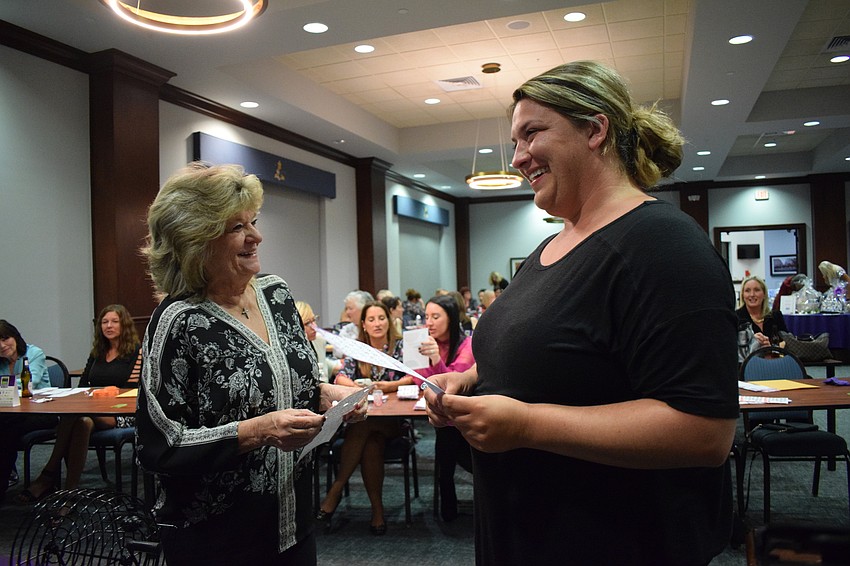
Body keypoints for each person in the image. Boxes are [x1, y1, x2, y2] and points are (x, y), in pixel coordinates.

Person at [424, 61, 738, 565]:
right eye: (515, 142)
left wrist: (526, 425)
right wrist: (471, 381)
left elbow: (704, 431)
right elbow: (559, 354)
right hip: (525, 534)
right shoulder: (550, 247)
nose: (519, 158)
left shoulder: (663, 245)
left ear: (595, 130)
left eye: (532, 134)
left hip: (614, 540)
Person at [136, 163, 365, 565]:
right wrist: (257, 432)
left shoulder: (276, 295)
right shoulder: (178, 322)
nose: (256, 236)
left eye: (253, 222)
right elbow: (161, 445)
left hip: (293, 522)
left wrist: (329, 394)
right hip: (217, 539)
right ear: (195, 241)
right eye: (237, 228)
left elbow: (299, 379)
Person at [19, 304, 142, 502]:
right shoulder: (97, 352)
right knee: (82, 421)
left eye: (114, 321)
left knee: (73, 415)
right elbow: (84, 383)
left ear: (124, 325)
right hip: (91, 411)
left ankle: (48, 474)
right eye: (104, 322)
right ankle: (70, 493)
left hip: (121, 413)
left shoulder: (137, 352)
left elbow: (132, 388)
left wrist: (102, 397)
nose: (108, 326)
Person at [317, 300, 414, 535]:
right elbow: (340, 378)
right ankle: (377, 512)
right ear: (364, 324)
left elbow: (412, 377)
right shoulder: (358, 348)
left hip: (393, 422)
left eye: (381, 318)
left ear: (388, 322)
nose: (377, 323)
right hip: (367, 421)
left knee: (363, 426)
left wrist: (385, 386)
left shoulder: (399, 346)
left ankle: (335, 491)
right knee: (371, 442)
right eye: (371, 319)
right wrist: (359, 389)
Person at [415, 295, 476, 521]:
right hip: (443, 418)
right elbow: (420, 382)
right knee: (444, 466)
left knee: (469, 463)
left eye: (435, 316)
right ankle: (448, 512)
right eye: (426, 316)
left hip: (464, 417)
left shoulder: (467, 344)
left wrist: (434, 360)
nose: (428, 322)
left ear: (450, 318)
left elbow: (453, 384)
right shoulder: (430, 344)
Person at [0, 321, 53, 503]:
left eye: (5, 338)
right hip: (11, 413)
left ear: (15, 337)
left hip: (42, 412)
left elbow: (31, 383)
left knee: (6, 430)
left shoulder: (33, 353)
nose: (2, 345)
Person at [737, 275, 788, 349]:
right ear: (742, 295)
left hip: (775, 359)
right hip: (748, 360)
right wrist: (752, 343)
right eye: (747, 291)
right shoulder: (735, 318)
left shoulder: (776, 316)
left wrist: (770, 347)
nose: (752, 294)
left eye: (757, 290)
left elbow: (786, 341)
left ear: (764, 294)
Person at [296, 301, 329, 383]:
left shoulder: (319, 340)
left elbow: (324, 366)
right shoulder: (294, 351)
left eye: (314, 320)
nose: (315, 327)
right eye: (307, 323)